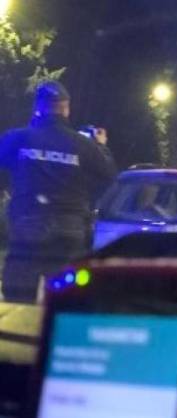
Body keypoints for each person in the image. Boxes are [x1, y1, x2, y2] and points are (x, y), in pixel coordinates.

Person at [0, 81, 117, 303]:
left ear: (38, 107)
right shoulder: (82, 144)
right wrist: (101, 145)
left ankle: (21, 321)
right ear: (66, 109)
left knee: (17, 295)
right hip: (69, 227)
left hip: (28, 223)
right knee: (68, 297)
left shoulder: (19, 138)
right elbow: (110, 176)